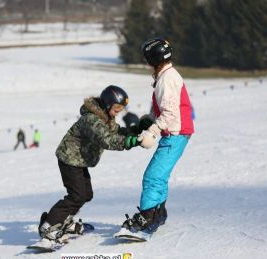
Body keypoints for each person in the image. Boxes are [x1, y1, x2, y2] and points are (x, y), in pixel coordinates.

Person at [37, 85, 140, 245]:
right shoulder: (91, 119)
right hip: (69, 160)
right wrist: (131, 142)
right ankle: (49, 226)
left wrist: (135, 131)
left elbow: (114, 131)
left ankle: (65, 221)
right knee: (76, 196)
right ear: (107, 105)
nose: (117, 113)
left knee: (86, 195)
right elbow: (106, 139)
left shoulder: (105, 117)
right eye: (116, 109)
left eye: (120, 110)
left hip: (78, 161)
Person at [120, 38, 194, 234]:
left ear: (153, 58)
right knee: (159, 176)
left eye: (146, 58)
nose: (146, 62)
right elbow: (163, 110)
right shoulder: (166, 75)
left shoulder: (166, 79)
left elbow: (170, 113)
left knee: (152, 177)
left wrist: (153, 131)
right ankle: (158, 213)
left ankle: (147, 216)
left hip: (176, 132)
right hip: (178, 131)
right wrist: (149, 120)